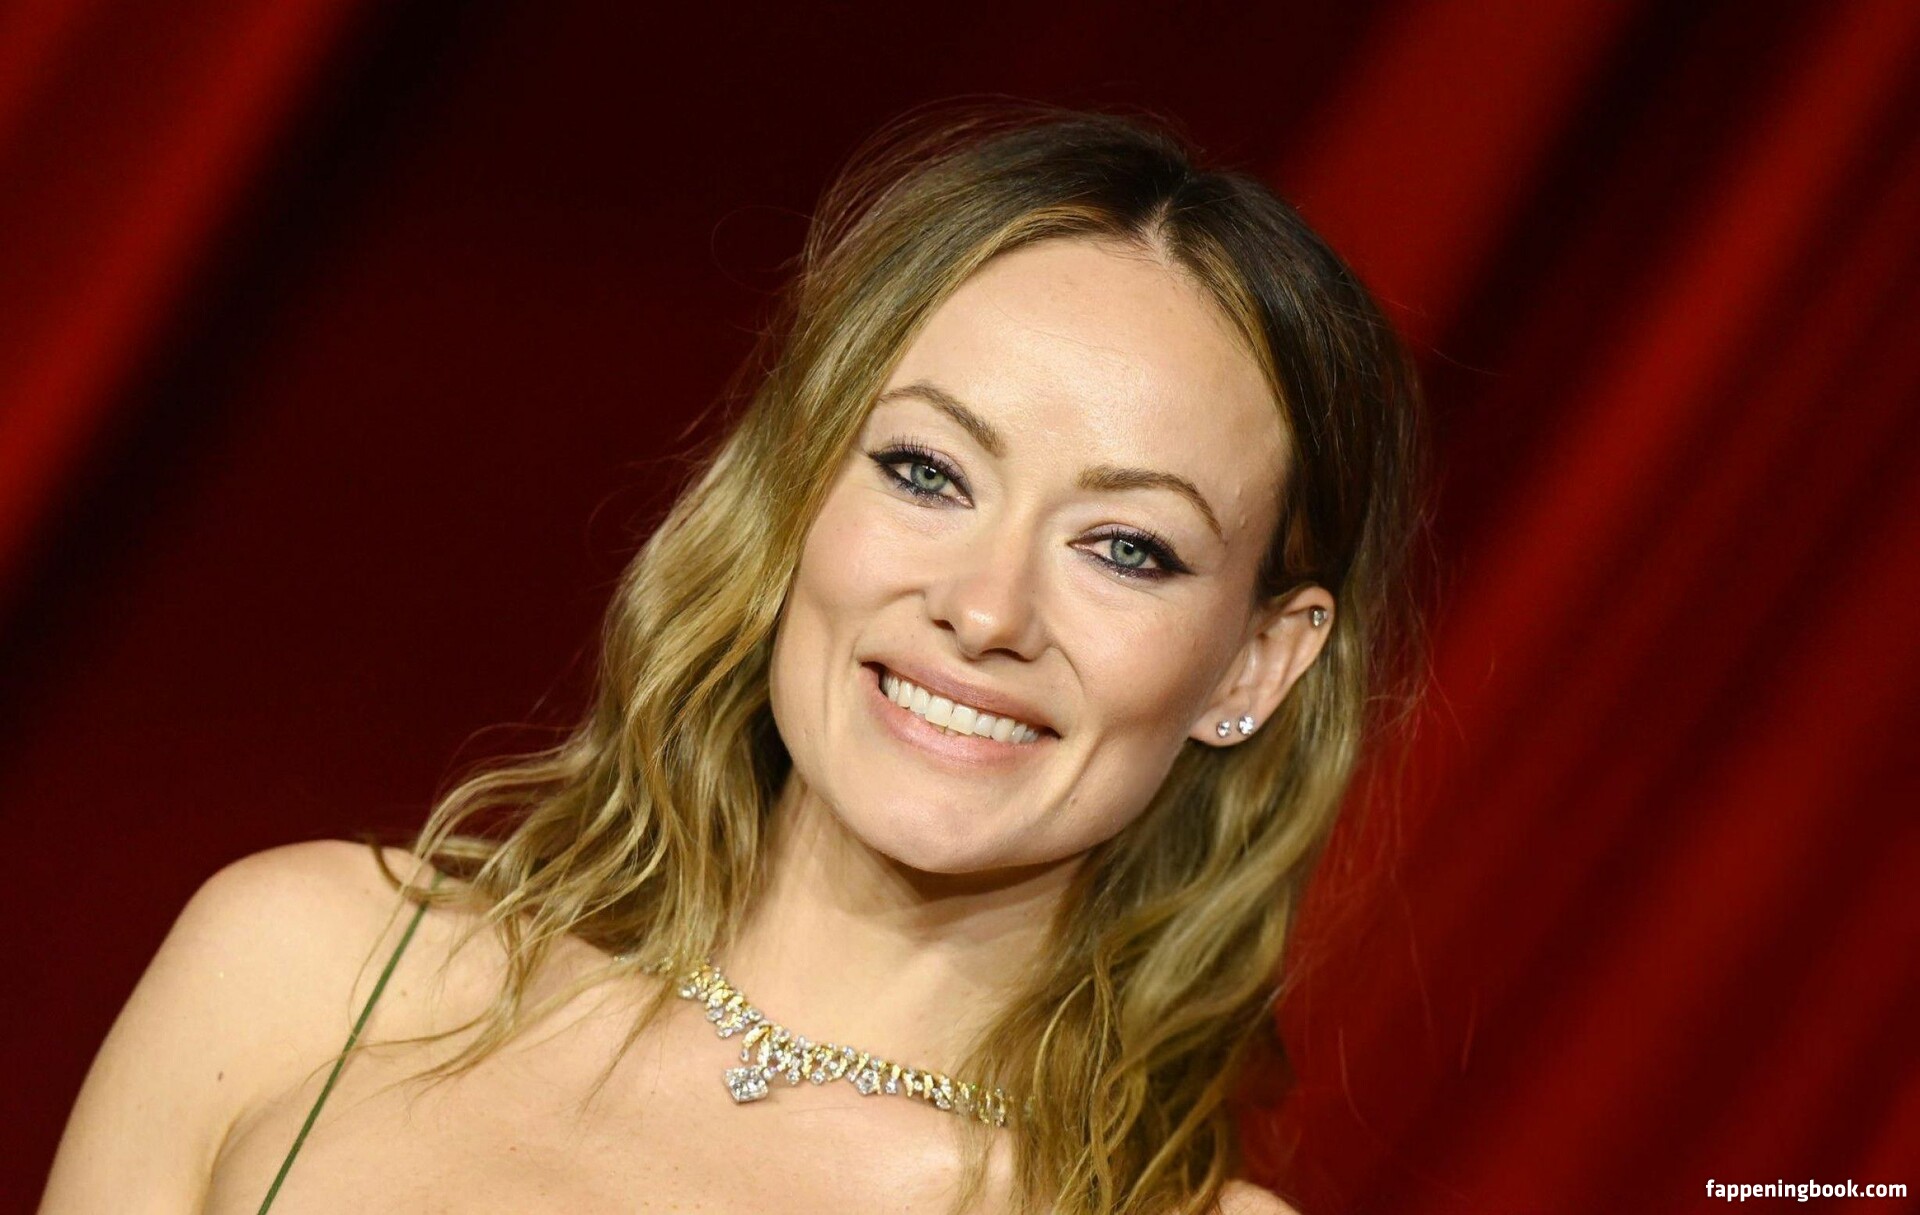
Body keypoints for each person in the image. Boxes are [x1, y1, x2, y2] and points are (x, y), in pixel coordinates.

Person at [40, 103, 1429, 1215]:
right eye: (926, 471)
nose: (986, 609)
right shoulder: (305, 972)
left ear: (1255, 666)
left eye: (1127, 548)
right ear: (793, 493)